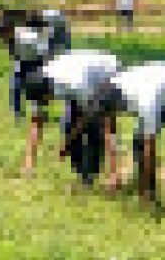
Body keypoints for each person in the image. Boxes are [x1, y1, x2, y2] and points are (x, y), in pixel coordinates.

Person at [90, 62, 165, 211]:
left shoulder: (145, 100)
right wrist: (114, 172)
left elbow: (150, 149)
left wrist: (145, 190)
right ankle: (150, 193)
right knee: (138, 142)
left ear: (118, 104)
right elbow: (109, 129)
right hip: (162, 92)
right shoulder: (110, 89)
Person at [22, 50, 120, 186]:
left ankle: (93, 173)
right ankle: (81, 170)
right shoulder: (39, 83)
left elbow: (90, 116)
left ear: (48, 92)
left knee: (95, 128)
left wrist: (67, 142)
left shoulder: (76, 84)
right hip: (81, 73)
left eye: (44, 101)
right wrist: (29, 162)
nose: (45, 104)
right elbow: (36, 122)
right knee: (68, 125)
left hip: (105, 74)